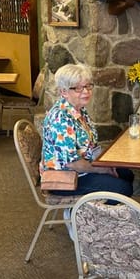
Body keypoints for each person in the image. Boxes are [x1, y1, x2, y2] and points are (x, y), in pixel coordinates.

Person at [41, 64, 134, 201]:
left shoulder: (79, 109)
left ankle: (96, 213)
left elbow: (88, 146)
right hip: (66, 177)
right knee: (122, 188)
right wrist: (102, 169)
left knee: (126, 174)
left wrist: (104, 165)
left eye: (88, 86)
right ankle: (86, 219)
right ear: (63, 92)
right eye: (78, 88)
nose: (86, 92)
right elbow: (72, 163)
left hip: (82, 168)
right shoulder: (61, 118)